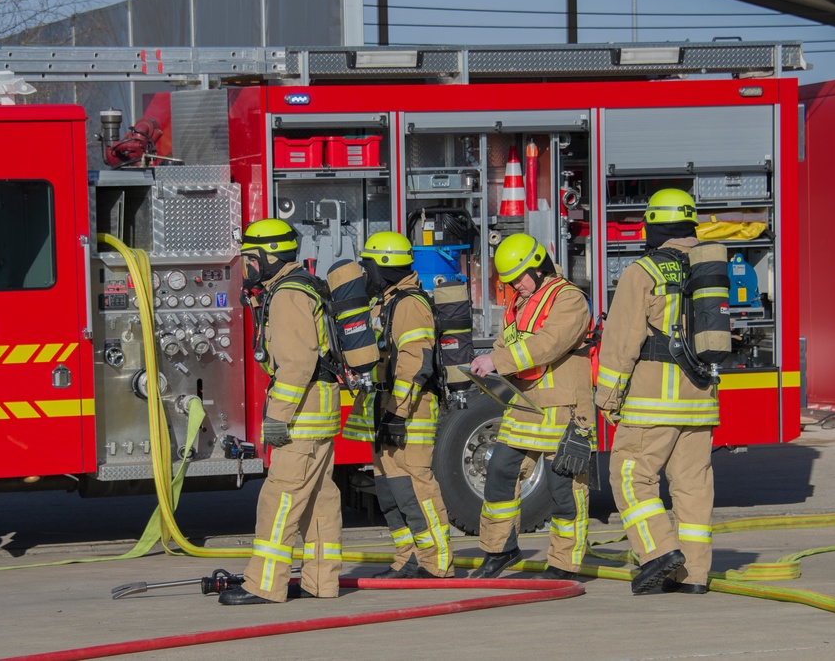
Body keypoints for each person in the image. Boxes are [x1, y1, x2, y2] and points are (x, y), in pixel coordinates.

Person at [594, 188, 719, 595]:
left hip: (652, 401)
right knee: (692, 487)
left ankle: (658, 551)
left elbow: (621, 341)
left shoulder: (643, 271)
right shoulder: (709, 267)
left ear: (653, 224)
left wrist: (607, 398)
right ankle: (694, 576)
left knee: (630, 476)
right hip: (701, 400)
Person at [219, 218, 343, 605]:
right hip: (321, 411)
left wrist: (278, 416)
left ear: (269, 256)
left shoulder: (288, 295)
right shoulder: (300, 286)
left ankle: (264, 584)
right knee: (320, 500)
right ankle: (321, 583)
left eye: (251, 258)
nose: (248, 267)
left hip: (302, 417)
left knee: (280, 498)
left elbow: (296, 363)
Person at [468, 233, 594, 580]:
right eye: (509, 281)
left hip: (565, 410)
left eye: (520, 278)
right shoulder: (519, 304)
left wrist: (497, 360)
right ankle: (501, 550)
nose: (516, 286)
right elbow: (505, 343)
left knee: (564, 490)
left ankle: (563, 565)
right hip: (526, 407)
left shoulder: (569, 300)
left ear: (538, 267)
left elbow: (548, 345)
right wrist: (488, 364)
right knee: (499, 474)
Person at [343, 231, 454, 579]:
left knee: (416, 489)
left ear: (384, 267)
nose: (365, 275)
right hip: (388, 412)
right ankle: (408, 557)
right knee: (392, 492)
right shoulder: (386, 303)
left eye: (369, 267)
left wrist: (397, 413)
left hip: (410, 413)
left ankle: (436, 563)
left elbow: (414, 362)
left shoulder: (409, 304)